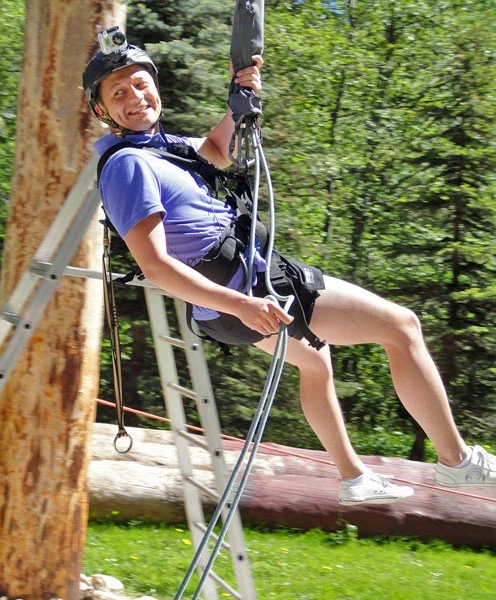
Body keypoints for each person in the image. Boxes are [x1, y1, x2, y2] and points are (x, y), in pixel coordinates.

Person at [82, 29, 496, 505]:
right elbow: (155, 266)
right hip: (249, 288)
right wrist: (243, 304)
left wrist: (242, 96)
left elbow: (218, 150)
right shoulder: (128, 166)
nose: (136, 97)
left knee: (316, 363)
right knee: (402, 326)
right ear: (103, 111)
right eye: (119, 93)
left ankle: (354, 478)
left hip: (229, 300)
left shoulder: (161, 148)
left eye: (140, 84)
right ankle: (457, 462)